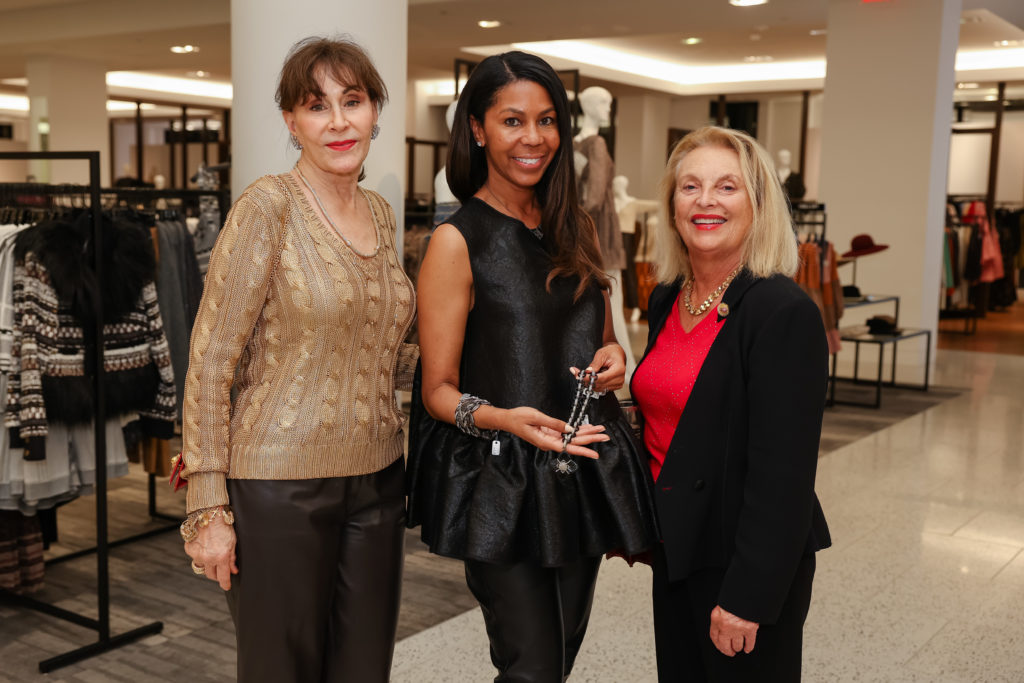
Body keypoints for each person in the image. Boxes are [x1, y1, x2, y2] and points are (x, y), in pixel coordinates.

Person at [407, 51, 658, 682]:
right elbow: (436, 391)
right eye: (513, 120)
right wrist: (505, 419)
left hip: (579, 469)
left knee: (560, 658)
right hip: (502, 478)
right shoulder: (457, 241)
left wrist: (614, 359)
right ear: (477, 128)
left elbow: (601, 339)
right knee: (534, 667)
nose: (534, 138)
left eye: (546, 121)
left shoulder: (575, 228)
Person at [178, 36, 416, 683]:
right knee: (282, 671)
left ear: (374, 110)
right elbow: (210, 360)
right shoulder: (267, 207)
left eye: (353, 100)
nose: (339, 121)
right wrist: (208, 505)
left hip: (378, 479)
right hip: (278, 489)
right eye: (317, 106)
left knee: (365, 669)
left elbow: (374, 343)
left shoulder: (379, 211)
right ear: (291, 120)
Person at [631, 126, 831, 682]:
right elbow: (673, 414)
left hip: (744, 561)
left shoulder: (780, 312)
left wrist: (748, 597)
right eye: (690, 187)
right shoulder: (669, 298)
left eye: (727, 187)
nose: (706, 201)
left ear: (758, 204)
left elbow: (783, 478)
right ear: (672, 205)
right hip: (678, 552)